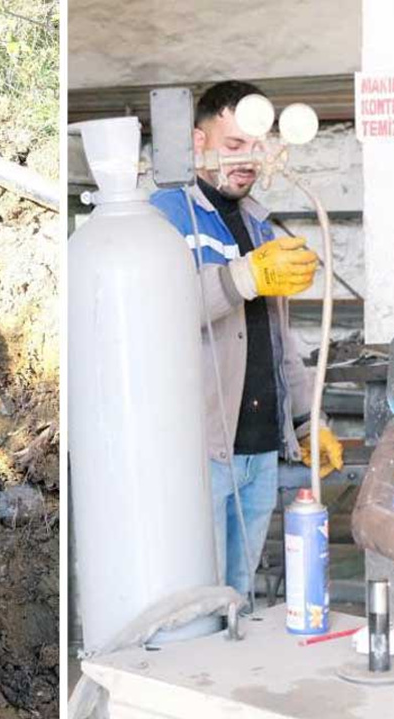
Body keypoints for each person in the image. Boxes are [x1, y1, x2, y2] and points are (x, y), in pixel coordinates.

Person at [149, 80, 344, 598]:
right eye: (233, 145)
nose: (247, 159)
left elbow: (280, 343)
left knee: (239, 596)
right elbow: (155, 312)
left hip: (258, 449)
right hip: (201, 452)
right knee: (198, 599)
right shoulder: (163, 216)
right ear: (196, 141)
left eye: (255, 147)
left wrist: (306, 422)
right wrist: (242, 279)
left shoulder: (259, 226)